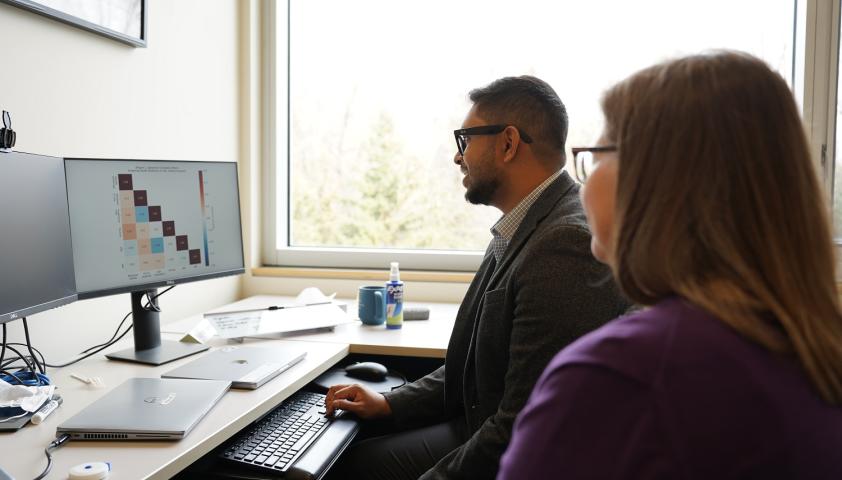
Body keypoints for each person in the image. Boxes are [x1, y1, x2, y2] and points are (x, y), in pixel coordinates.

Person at [498, 51, 842, 479]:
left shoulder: (616, 376)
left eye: (597, 153)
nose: (584, 182)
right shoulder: (817, 344)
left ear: (657, 181)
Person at [324, 76, 630, 479]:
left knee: (348, 465)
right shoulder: (522, 225)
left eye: (465, 139)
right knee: (349, 446)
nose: (457, 156)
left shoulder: (563, 244)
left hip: (503, 447)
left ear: (507, 143)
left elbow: (523, 427)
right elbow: (472, 368)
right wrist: (390, 403)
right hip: (479, 424)